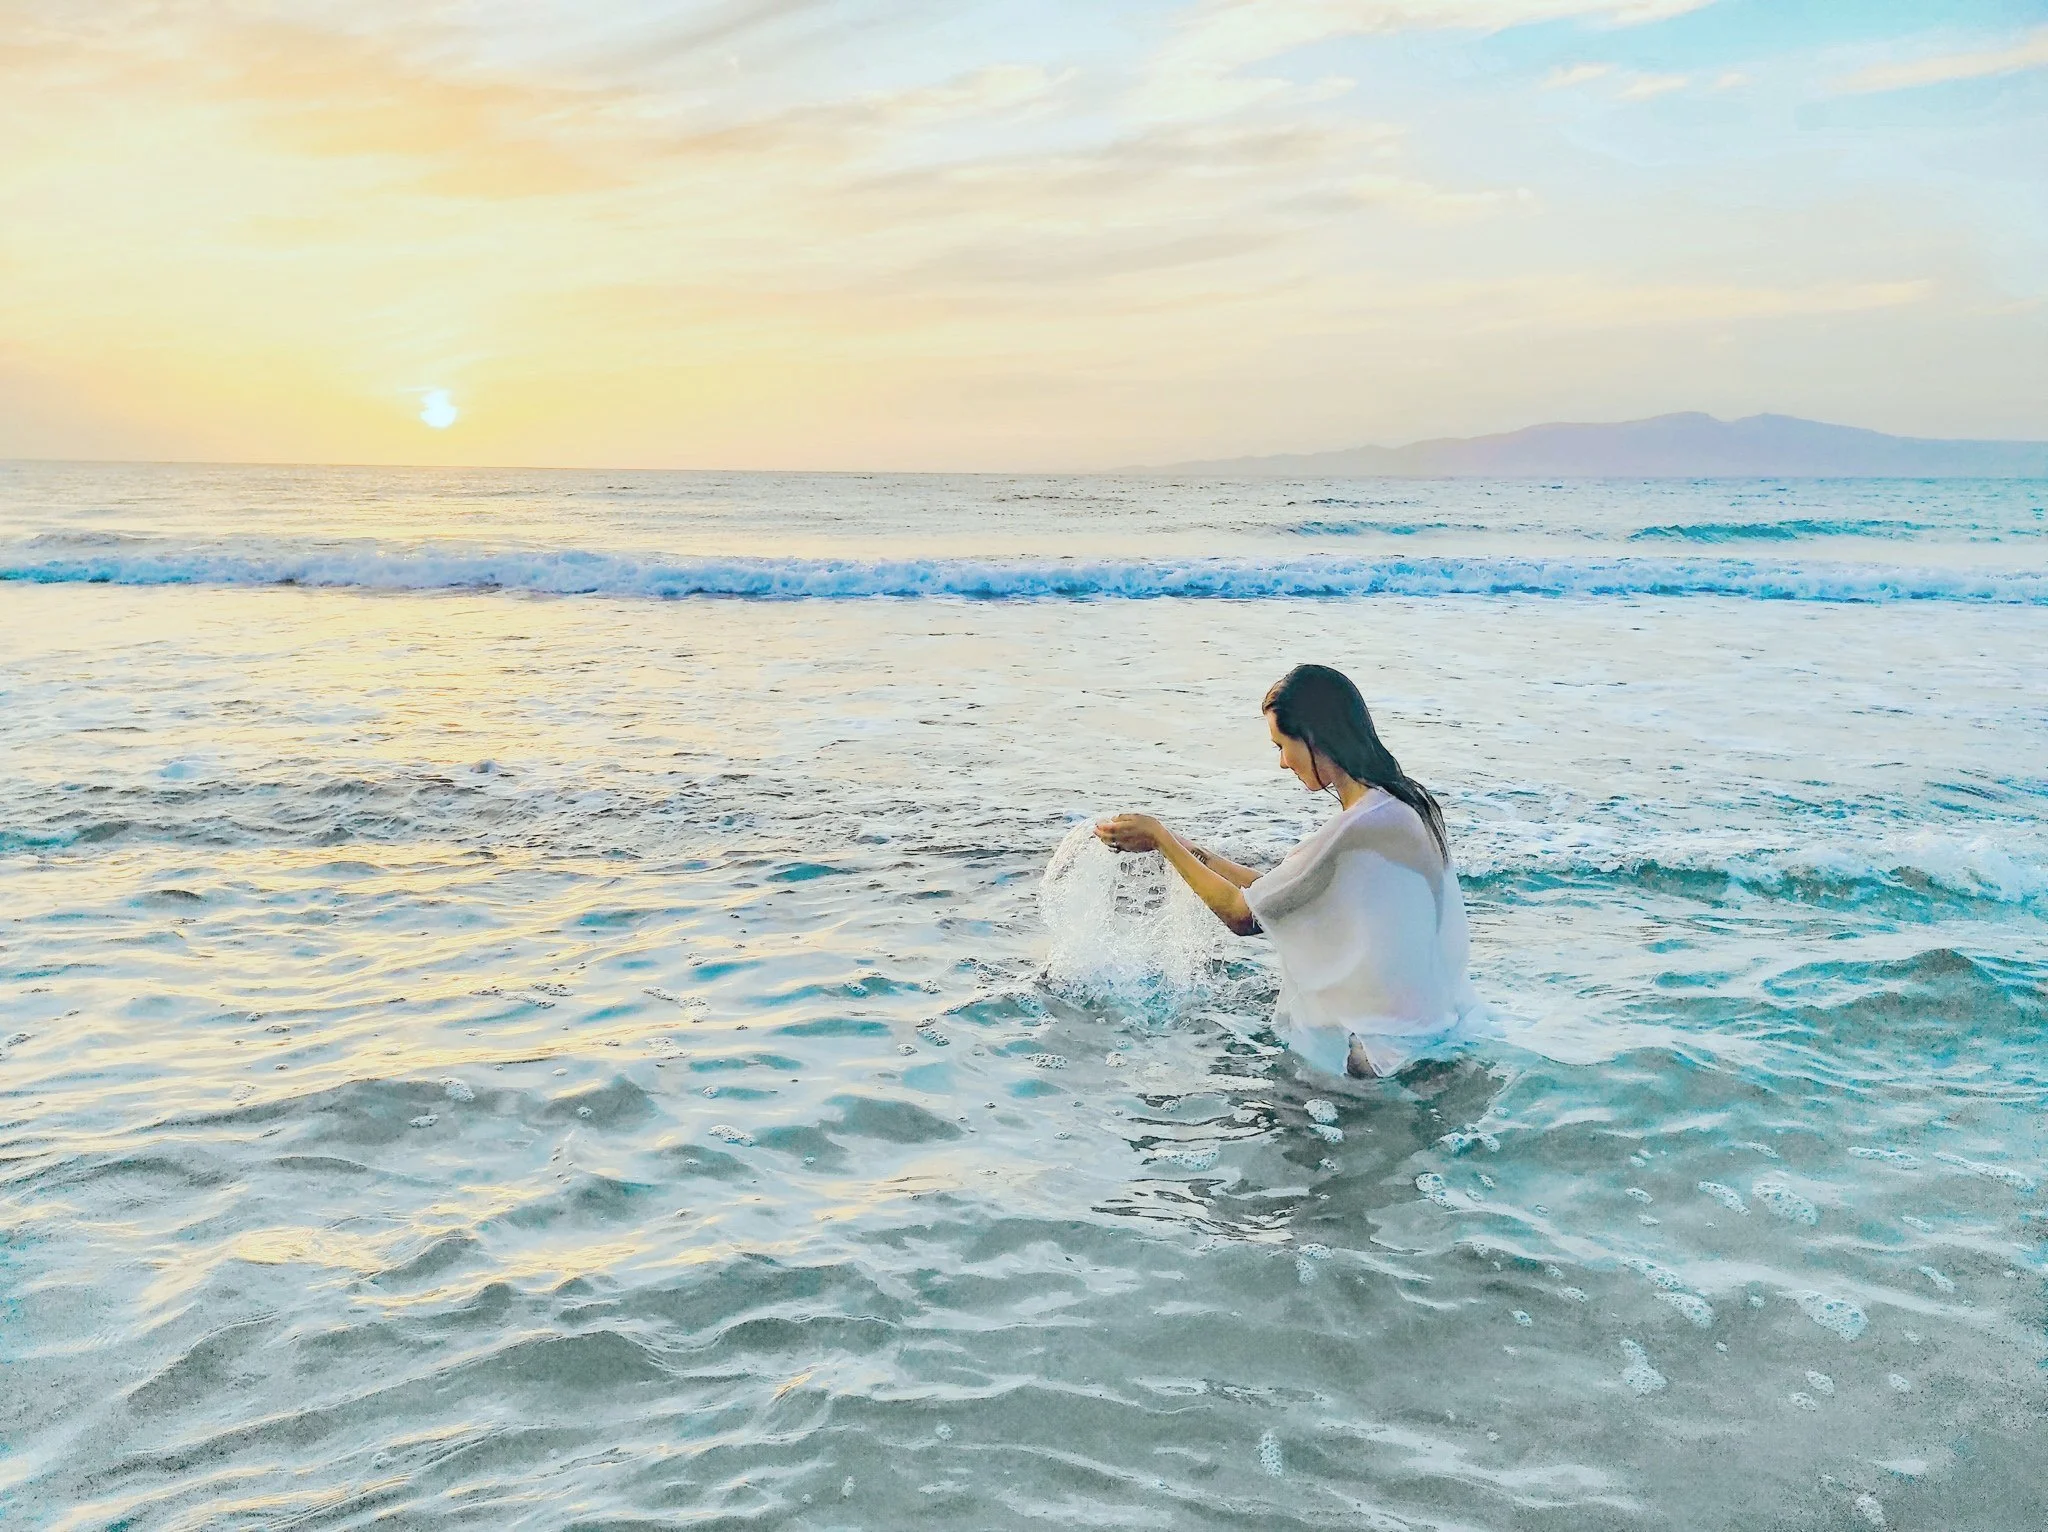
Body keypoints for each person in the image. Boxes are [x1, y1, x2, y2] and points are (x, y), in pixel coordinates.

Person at [1095, 663, 1482, 1080]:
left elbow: (1243, 915)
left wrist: (1160, 839)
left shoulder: (1363, 825)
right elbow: (1278, 888)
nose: (1282, 762)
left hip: (1383, 1056)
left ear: (1313, 738)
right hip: (1429, 1036)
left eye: (1282, 745)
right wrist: (1184, 848)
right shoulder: (1401, 804)